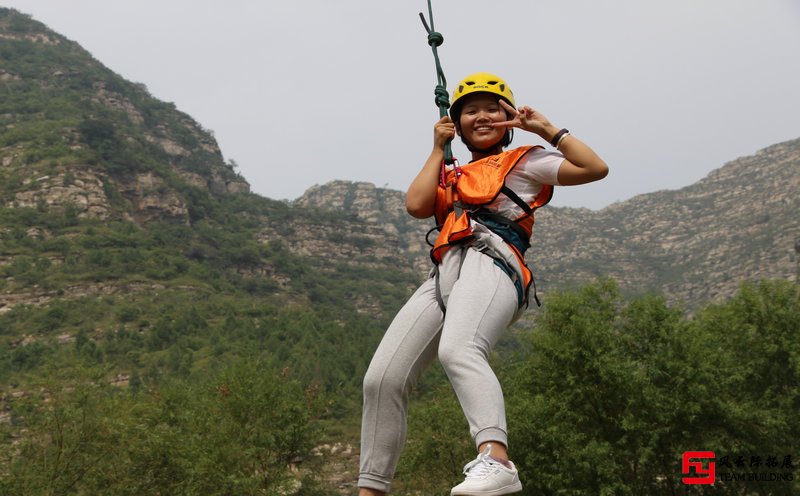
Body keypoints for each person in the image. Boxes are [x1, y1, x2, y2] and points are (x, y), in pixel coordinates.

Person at [358, 72, 608, 496]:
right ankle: (371, 489)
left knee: (459, 349)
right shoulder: (451, 174)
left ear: (507, 116)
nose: (483, 116)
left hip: (493, 261)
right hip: (446, 271)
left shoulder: (527, 160)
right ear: (458, 122)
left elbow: (594, 168)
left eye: (492, 108)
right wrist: (438, 148)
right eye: (470, 111)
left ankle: (497, 459)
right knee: (381, 378)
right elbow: (417, 205)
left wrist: (547, 129)